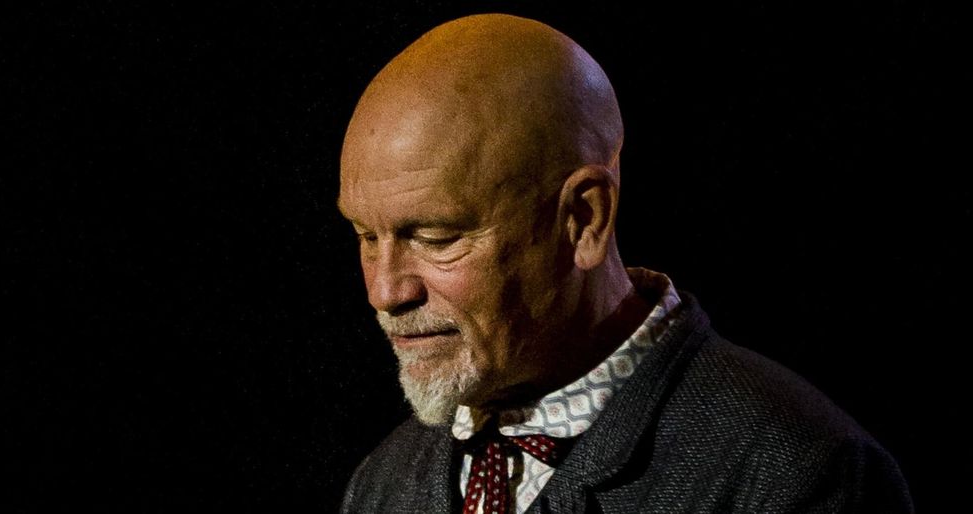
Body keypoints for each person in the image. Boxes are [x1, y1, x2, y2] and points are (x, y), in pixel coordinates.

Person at [336, 13, 912, 513]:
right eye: (365, 236)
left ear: (584, 219)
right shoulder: (383, 484)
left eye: (435, 238)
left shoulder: (799, 476)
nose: (385, 292)